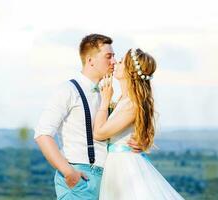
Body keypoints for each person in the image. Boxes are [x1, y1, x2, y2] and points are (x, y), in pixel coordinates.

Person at [34, 34, 141, 200]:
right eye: (108, 56)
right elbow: (42, 134)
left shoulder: (105, 95)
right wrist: (69, 173)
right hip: (81, 179)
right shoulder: (68, 90)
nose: (114, 61)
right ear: (91, 61)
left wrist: (133, 143)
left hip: (109, 179)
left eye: (114, 56)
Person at [93, 48, 185, 200]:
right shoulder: (124, 100)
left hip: (125, 167)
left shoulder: (132, 104)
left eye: (121, 61)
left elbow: (99, 133)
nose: (116, 63)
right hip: (116, 165)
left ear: (130, 71)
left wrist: (104, 101)